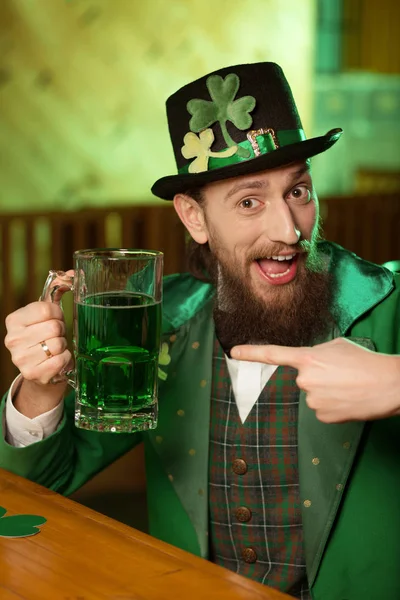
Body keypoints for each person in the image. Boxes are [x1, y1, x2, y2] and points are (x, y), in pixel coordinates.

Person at [2, 62, 400, 600]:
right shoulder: (159, 325)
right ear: (194, 217)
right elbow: (40, 485)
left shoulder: (389, 301)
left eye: (299, 191)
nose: (288, 230)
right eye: (249, 202)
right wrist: (41, 387)